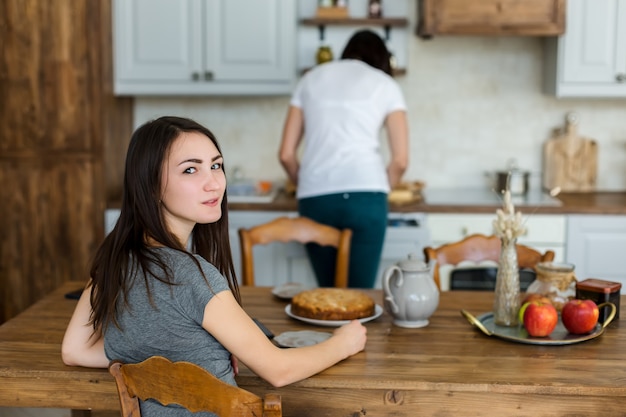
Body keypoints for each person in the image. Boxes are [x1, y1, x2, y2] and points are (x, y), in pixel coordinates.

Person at [61, 116, 367, 416]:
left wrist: (165, 355)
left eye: (216, 165)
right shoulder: (190, 276)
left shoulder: (115, 258)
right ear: (151, 185)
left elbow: (74, 351)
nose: (214, 183)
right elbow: (279, 370)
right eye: (191, 170)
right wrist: (344, 343)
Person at [278, 30, 409, 289]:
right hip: (367, 195)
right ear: (381, 58)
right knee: (360, 296)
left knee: (327, 294)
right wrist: (382, 191)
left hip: (316, 196)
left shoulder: (310, 79)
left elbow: (286, 154)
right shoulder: (386, 84)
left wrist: (304, 181)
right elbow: (401, 160)